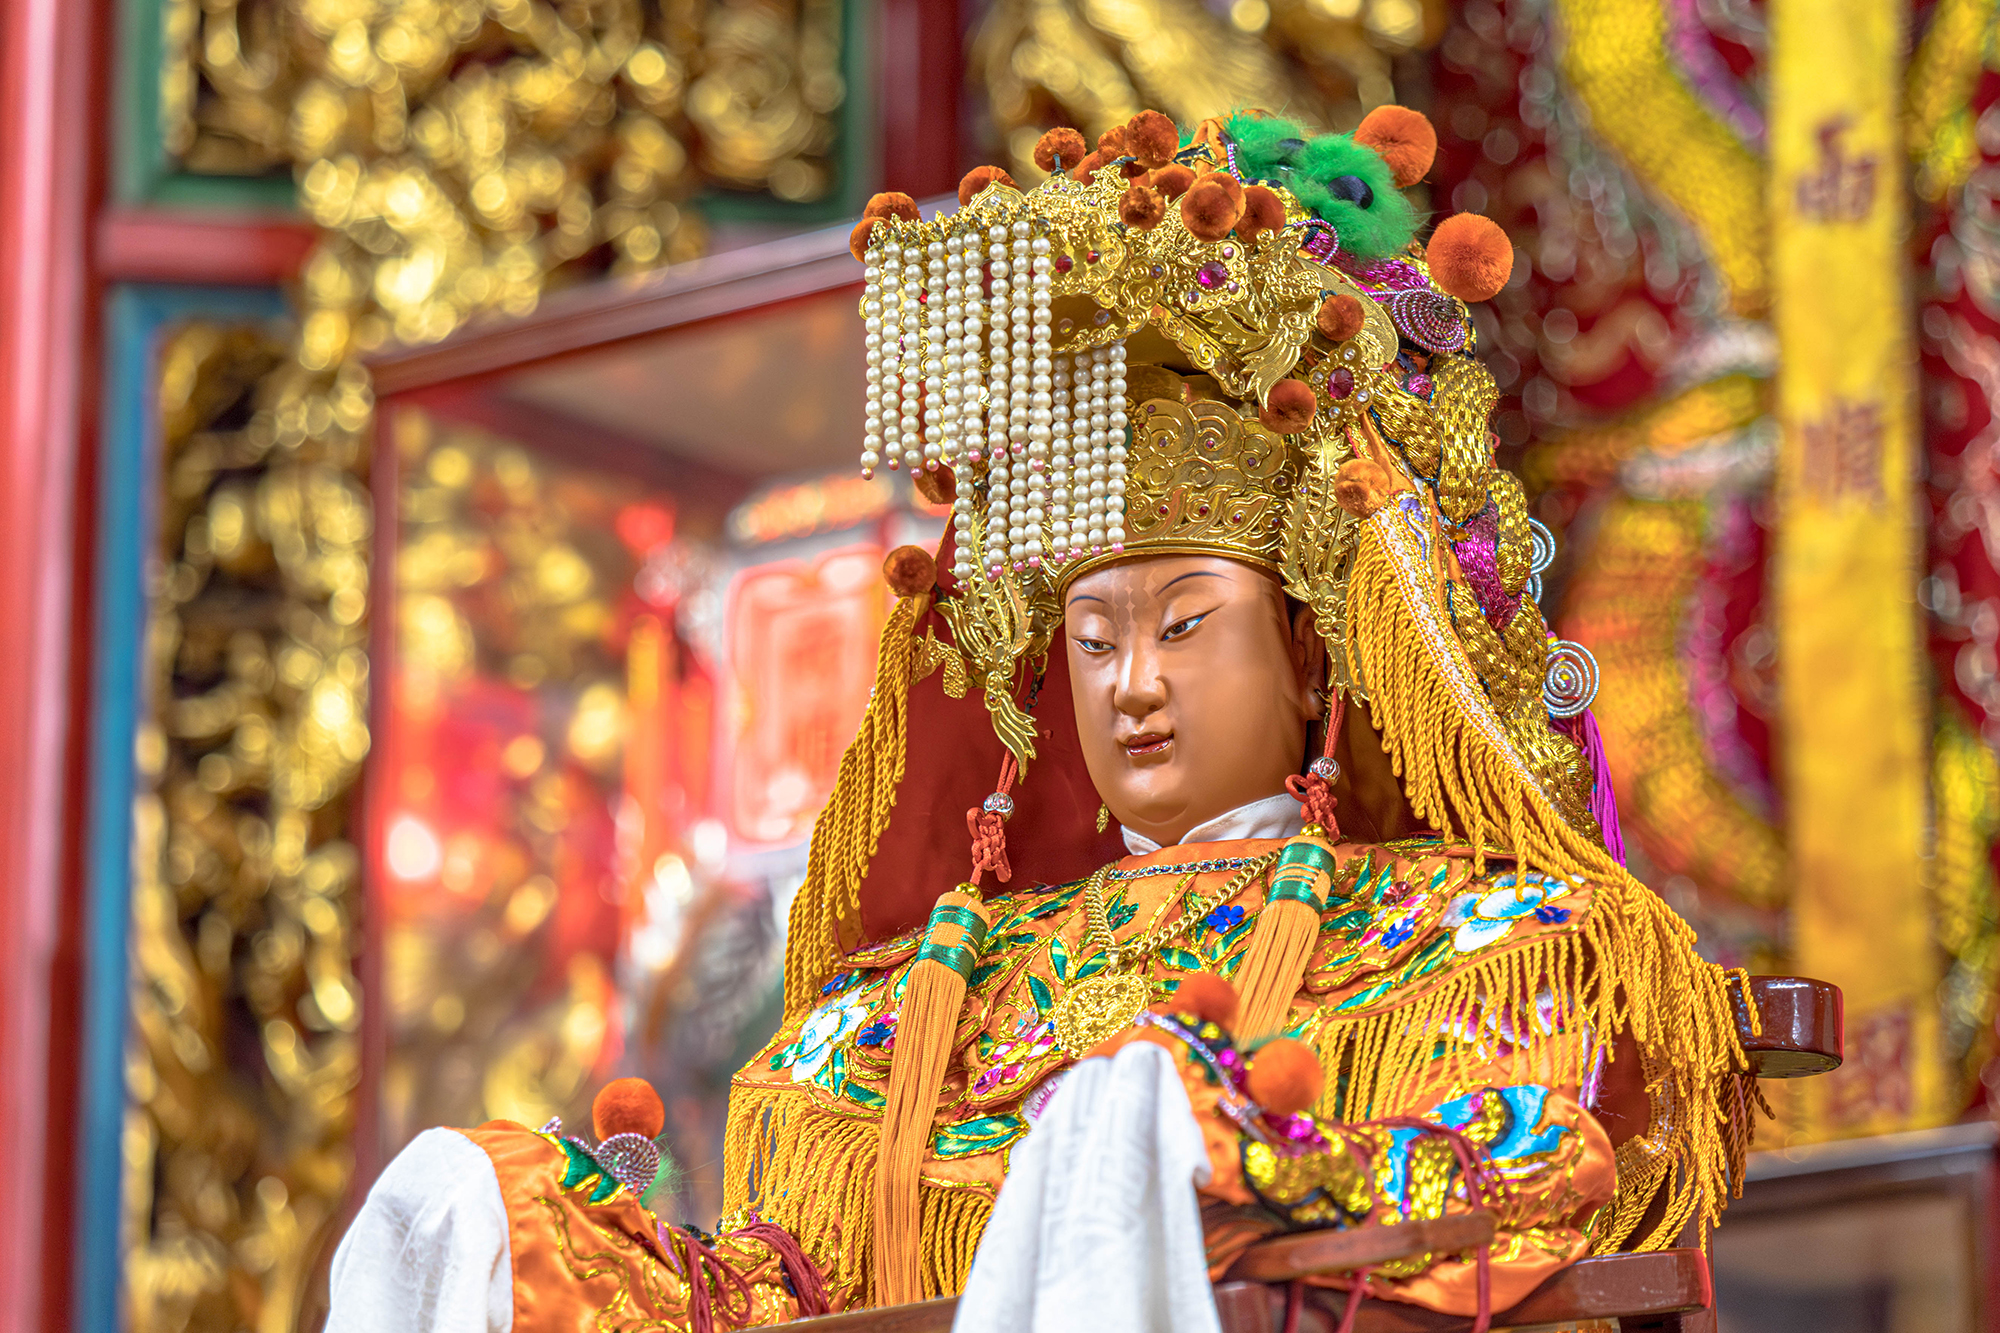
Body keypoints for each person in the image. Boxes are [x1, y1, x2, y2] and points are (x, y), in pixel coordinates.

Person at [327, 106, 1758, 1333]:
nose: (1132, 682)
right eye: (1092, 638)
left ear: (1309, 658)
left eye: (1184, 625)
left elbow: (1536, 1165)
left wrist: (1239, 1161)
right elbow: (795, 1290)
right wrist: (550, 1237)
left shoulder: (1472, 935)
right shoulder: (917, 1003)